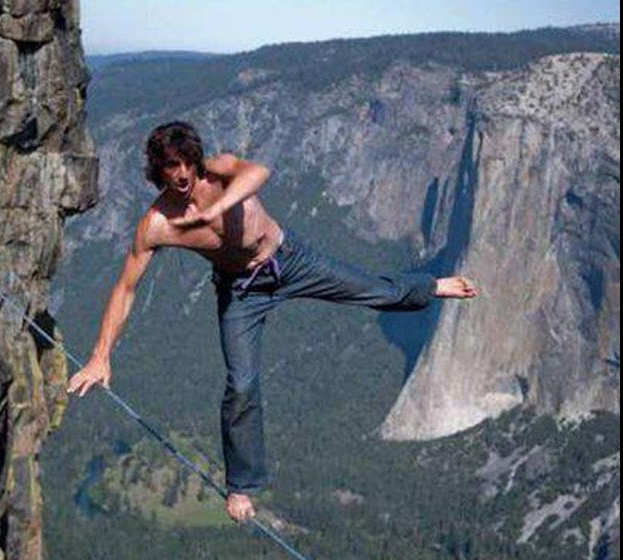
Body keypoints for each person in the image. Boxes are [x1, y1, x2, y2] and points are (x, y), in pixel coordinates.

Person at [67, 121, 478, 523]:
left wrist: (221, 207)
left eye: (183, 163)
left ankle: (432, 286)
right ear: (157, 172)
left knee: (373, 291)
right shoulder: (157, 224)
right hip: (241, 291)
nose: (179, 174)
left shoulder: (221, 171)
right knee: (241, 384)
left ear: (195, 160)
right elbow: (125, 289)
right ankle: (241, 484)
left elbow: (260, 172)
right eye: (168, 167)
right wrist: (101, 356)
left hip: (290, 260)